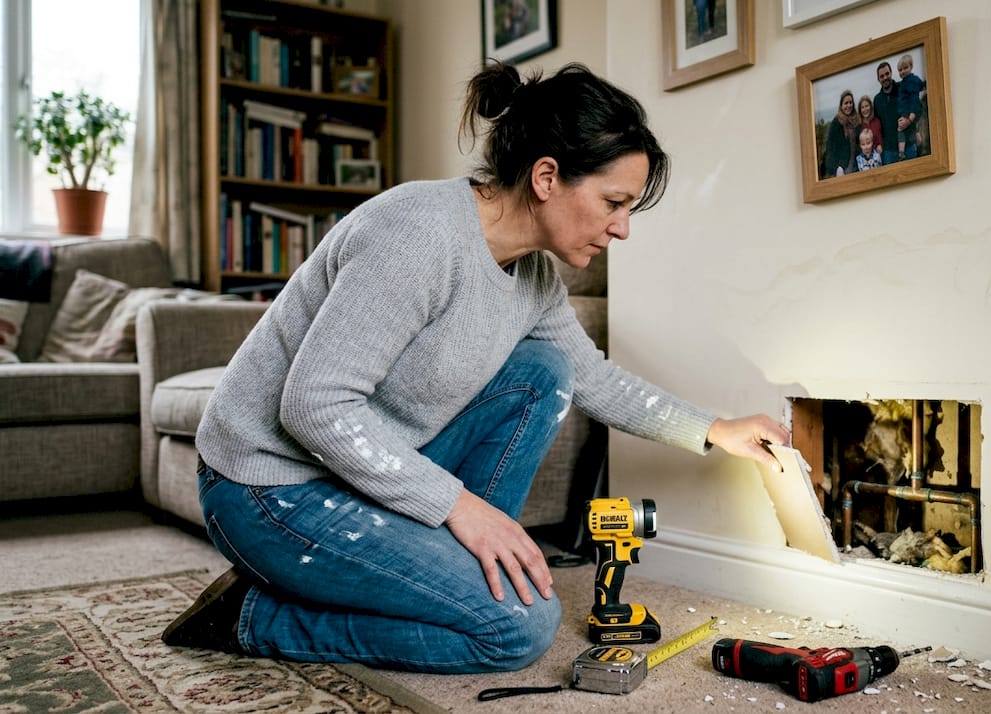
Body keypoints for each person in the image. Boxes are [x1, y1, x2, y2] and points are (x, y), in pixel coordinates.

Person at [160, 60, 791, 675]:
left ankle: (449, 570)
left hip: (356, 476)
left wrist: (716, 428)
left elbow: (592, 378)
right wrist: (459, 505)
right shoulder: (416, 236)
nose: (621, 229)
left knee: (545, 371)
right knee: (516, 627)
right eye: (613, 202)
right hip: (266, 489)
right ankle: (254, 617)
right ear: (547, 177)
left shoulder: (535, 277)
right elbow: (314, 406)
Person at [894, 54, 924, 161]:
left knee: (900, 129)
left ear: (911, 66)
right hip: (906, 112)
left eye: (905, 68)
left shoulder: (911, 81)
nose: (902, 72)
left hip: (908, 112)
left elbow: (914, 99)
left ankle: (901, 152)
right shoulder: (904, 82)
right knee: (912, 129)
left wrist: (911, 117)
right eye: (900, 70)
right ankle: (917, 138)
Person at [872, 61, 902, 165]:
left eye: (887, 74)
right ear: (878, 79)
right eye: (881, 76)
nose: (885, 78)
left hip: (907, 145)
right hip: (888, 150)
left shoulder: (902, 89)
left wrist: (916, 130)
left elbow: (916, 108)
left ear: (891, 73)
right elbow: (875, 125)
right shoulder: (877, 100)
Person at [822, 89, 857, 178]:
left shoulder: (857, 120)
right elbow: (830, 147)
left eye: (850, 102)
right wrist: (836, 168)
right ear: (841, 106)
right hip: (842, 168)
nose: (849, 105)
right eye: (846, 103)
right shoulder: (836, 123)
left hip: (856, 165)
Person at [854, 94, 882, 158]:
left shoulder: (877, 121)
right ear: (860, 110)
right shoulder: (858, 125)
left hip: (879, 155)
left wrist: (879, 145)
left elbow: (881, 137)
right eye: (862, 107)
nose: (865, 109)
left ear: (871, 107)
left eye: (866, 106)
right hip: (865, 159)